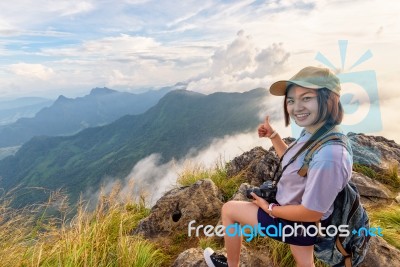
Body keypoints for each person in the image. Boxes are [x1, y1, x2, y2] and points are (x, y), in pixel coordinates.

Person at [204, 66, 353, 267]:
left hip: (298, 223)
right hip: (303, 225)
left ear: (329, 99)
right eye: (291, 100)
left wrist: (270, 208)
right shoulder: (317, 132)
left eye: (306, 98)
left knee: (229, 210)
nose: (296, 107)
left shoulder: (330, 155)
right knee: (304, 261)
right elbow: (296, 163)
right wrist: (273, 136)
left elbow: (312, 212)